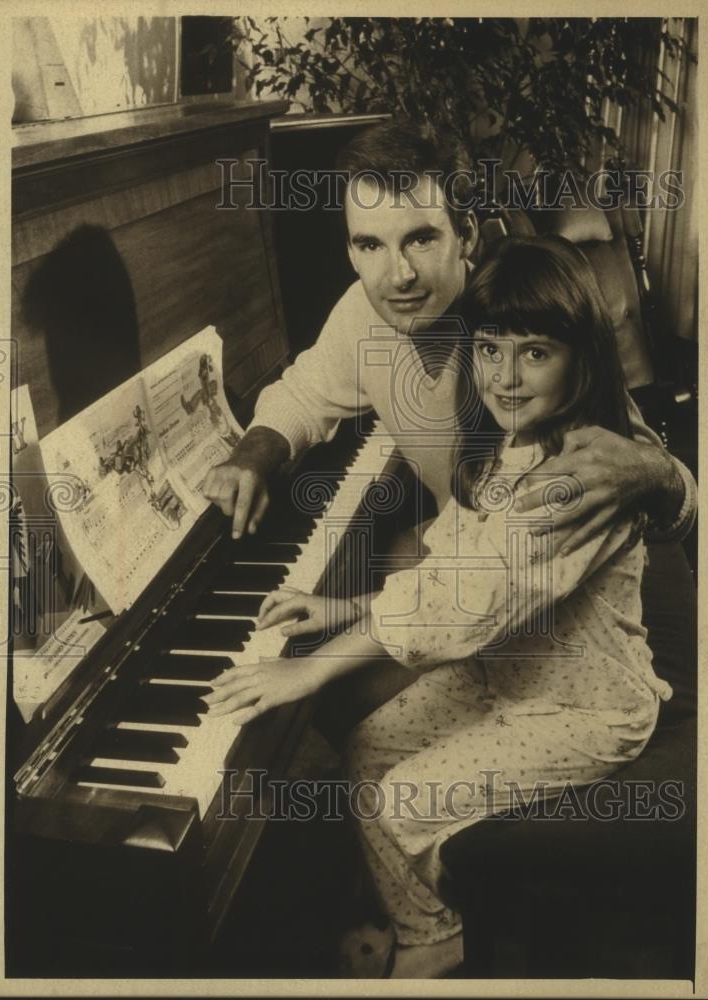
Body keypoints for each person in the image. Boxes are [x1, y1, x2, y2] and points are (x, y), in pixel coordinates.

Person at [203, 236, 676, 977]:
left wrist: (312, 671)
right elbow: (452, 560)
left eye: (534, 354)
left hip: (585, 708)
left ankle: (444, 947)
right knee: (367, 749)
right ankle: (427, 926)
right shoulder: (503, 445)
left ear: (580, 356)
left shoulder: (578, 476)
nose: (505, 379)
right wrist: (344, 607)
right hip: (507, 675)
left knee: (410, 796)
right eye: (489, 350)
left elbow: (467, 605)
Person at [200, 119, 696, 553]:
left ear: (468, 235)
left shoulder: (524, 319)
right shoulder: (360, 313)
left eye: (421, 238)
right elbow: (302, 395)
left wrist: (654, 474)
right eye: (370, 244)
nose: (398, 275)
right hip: (491, 564)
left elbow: (672, 500)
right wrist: (252, 457)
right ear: (351, 253)